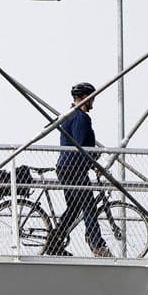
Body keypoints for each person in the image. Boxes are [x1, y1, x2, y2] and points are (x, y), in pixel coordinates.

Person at [44, 81, 111, 257]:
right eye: (92, 99)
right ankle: (97, 246)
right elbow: (82, 147)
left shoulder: (69, 114)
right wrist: (94, 159)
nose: (93, 103)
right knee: (88, 206)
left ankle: (53, 244)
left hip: (65, 168)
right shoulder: (81, 118)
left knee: (74, 207)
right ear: (84, 98)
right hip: (74, 169)